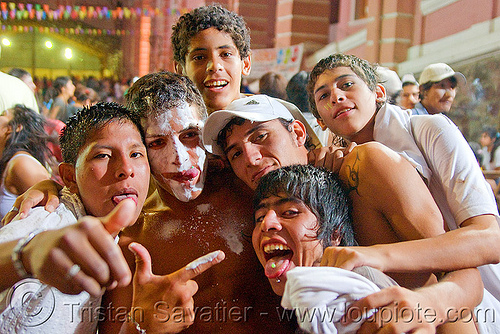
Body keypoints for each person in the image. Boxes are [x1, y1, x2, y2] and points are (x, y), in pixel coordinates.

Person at [202, 94, 484, 332]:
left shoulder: (362, 168)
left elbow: (461, 269)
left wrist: (428, 305)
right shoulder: (259, 213)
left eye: (261, 136)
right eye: (235, 153)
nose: (251, 159)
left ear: (298, 133)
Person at [305, 53, 500, 320]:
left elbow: (490, 240)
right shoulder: (333, 163)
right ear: (321, 121)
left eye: (347, 85)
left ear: (378, 92)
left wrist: (377, 256)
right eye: (323, 96)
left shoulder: (431, 130)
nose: (337, 97)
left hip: (471, 304)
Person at [253, 164, 401, 333]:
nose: (266, 224)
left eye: (290, 212)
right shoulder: (311, 307)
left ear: (334, 235)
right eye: (260, 217)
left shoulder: (360, 286)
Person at [170, 4, 323, 147]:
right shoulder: (170, 131)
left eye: (226, 54)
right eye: (199, 57)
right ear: (180, 69)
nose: (215, 66)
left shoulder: (279, 116)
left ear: (246, 63)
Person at [0, 105, 52, 220]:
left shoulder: (23, 164)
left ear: (15, 127)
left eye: (3, 114)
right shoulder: (9, 162)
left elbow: (50, 213)